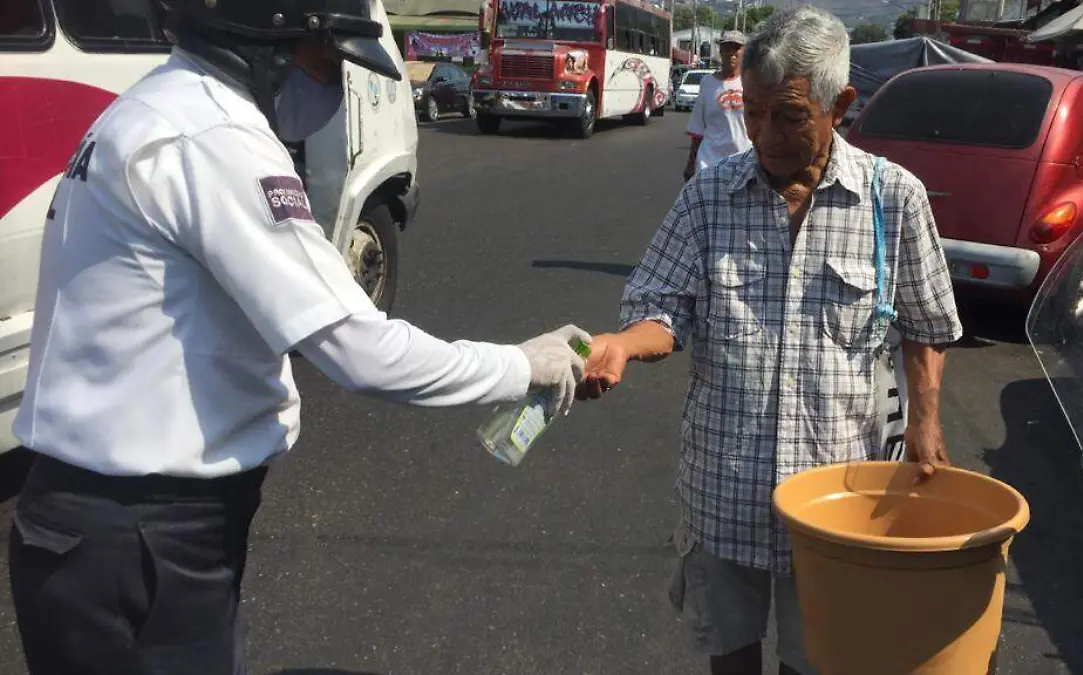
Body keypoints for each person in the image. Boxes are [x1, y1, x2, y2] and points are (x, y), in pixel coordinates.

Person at [7, 2, 589, 674]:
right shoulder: (216, 137)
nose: (336, 81)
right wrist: (523, 364)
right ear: (266, 38)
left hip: (99, 529)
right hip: (142, 540)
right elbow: (362, 350)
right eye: (328, 59)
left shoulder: (151, 107)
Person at [579, 7, 962, 675]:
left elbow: (929, 324)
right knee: (730, 657)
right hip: (723, 492)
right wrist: (622, 344)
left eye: (787, 115)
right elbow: (661, 307)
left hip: (836, 504)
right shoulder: (710, 196)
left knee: (817, 661)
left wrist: (926, 422)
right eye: (752, 113)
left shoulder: (891, 198)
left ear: (839, 104)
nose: (764, 135)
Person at [683, 30, 752, 182]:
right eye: (727, 48)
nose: (731, 53)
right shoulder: (707, 83)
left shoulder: (752, 83)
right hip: (710, 162)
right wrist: (690, 164)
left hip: (745, 162)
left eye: (736, 48)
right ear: (720, 51)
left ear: (744, 52)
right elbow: (698, 130)